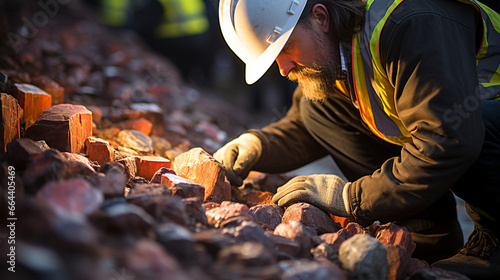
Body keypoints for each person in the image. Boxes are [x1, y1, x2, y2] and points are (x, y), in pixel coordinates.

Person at [214, 0, 500, 278]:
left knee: (467, 121)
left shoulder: (409, 22)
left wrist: (353, 198)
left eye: (286, 48)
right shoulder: (343, 46)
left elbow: (447, 139)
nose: (283, 69)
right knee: (318, 104)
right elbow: (309, 122)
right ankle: (424, 243)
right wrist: (257, 145)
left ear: (320, 17)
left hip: (483, 116)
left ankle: (495, 246)